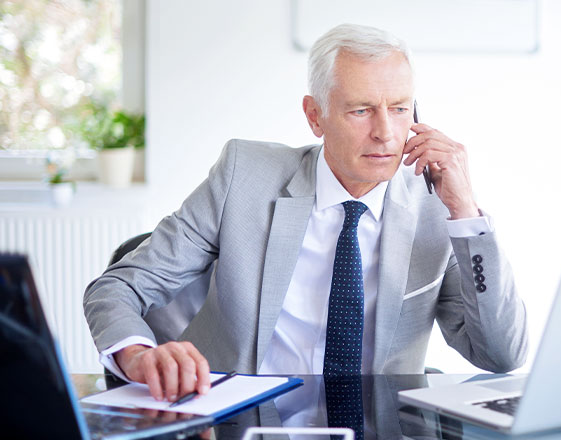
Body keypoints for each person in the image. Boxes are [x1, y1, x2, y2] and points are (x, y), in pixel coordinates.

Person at [83, 24, 527, 404]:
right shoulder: (244, 177)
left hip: (375, 423)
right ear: (315, 116)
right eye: (361, 110)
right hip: (239, 417)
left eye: (399, 108)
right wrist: (138, 355)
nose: (386, 133)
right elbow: (117, 287)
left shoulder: (436, 206)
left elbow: (502, 354)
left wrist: (466, 214)